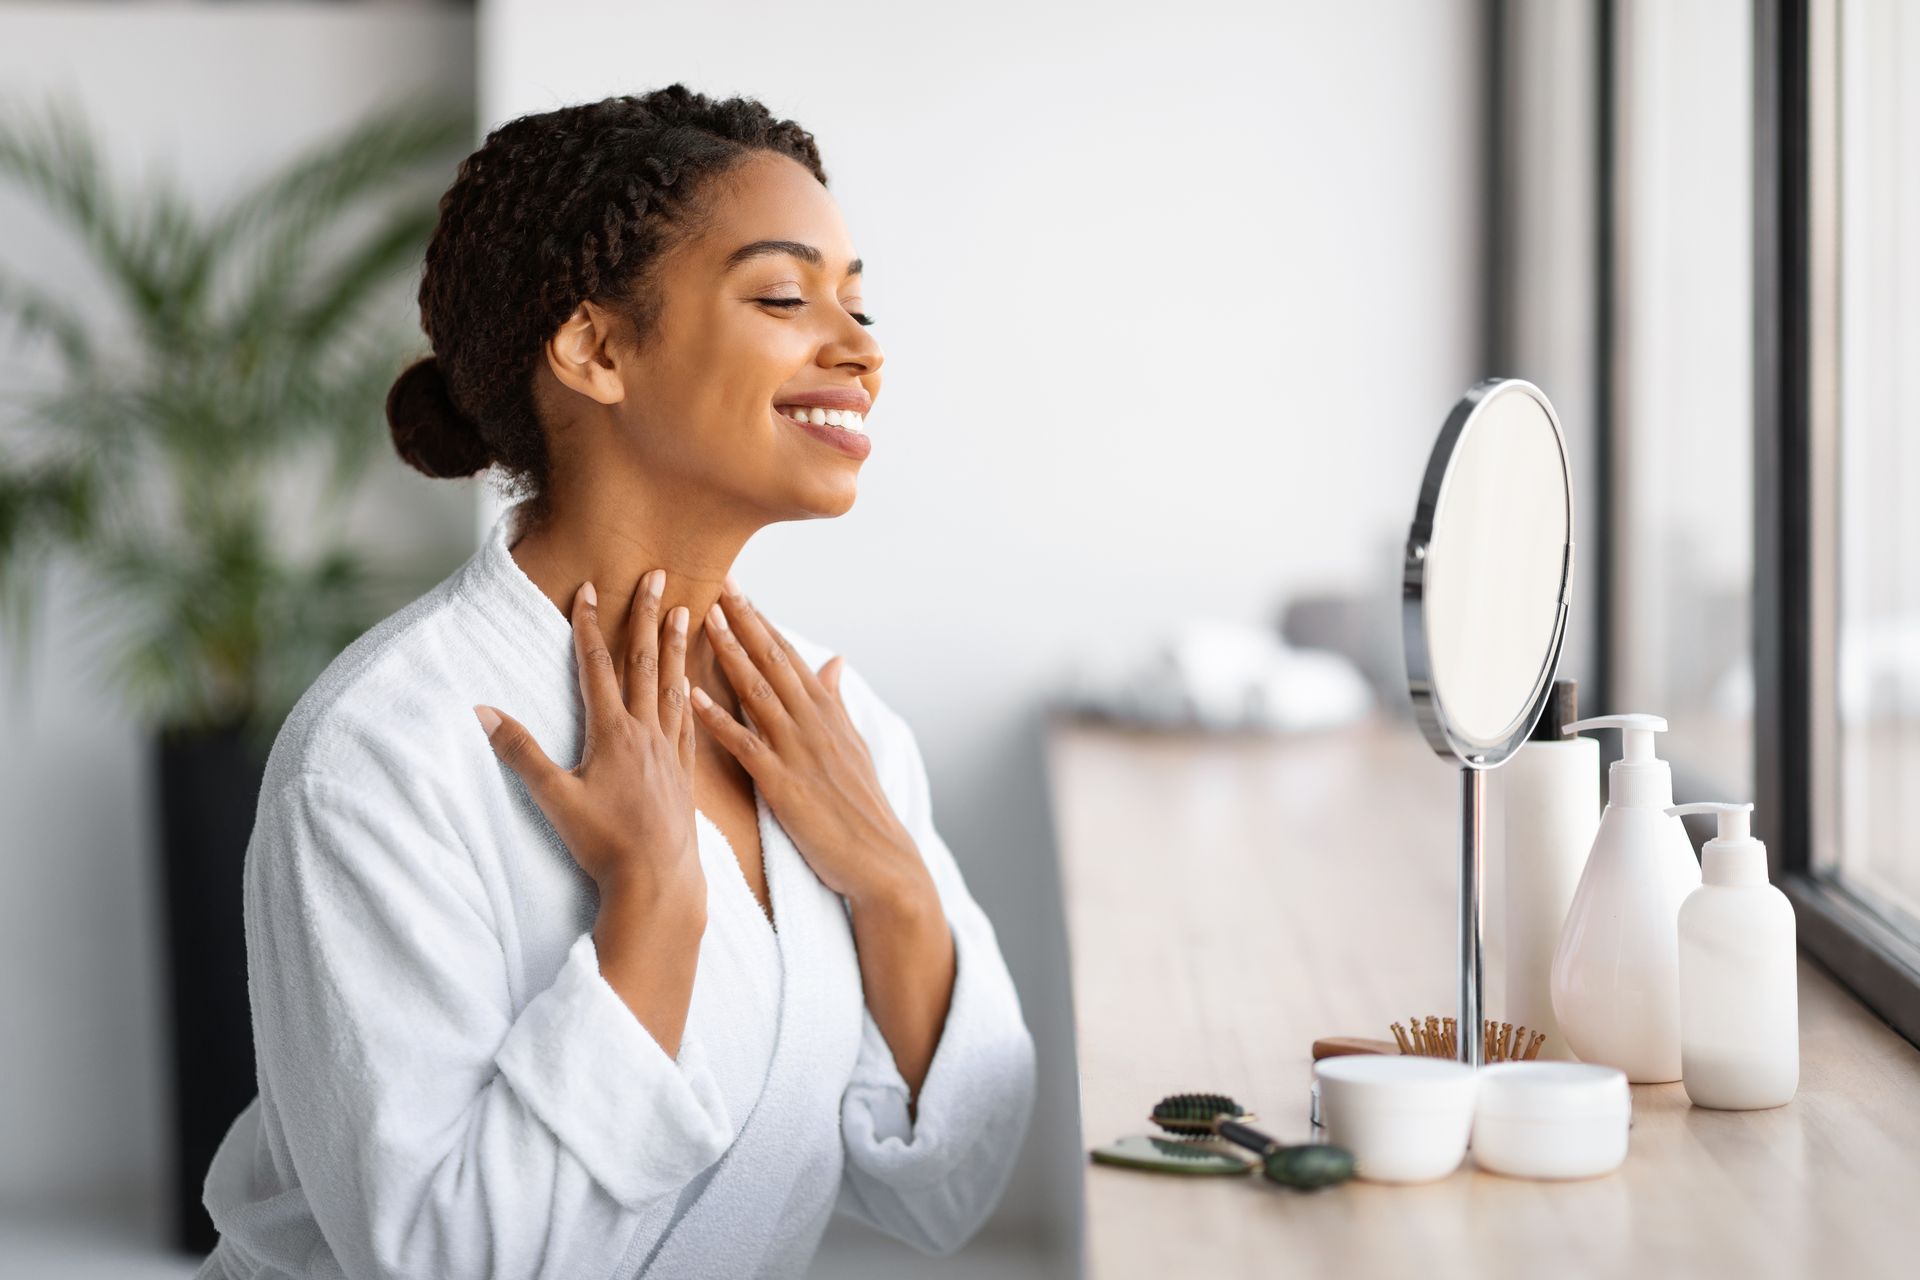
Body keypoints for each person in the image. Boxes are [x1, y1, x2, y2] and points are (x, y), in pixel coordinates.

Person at [194, 85, 1037, 1279]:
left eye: (857, 300)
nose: (860, 346)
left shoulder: (840, 736)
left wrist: (895, 885)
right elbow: (446, 1260)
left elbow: (949, 1190)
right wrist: (651, 910)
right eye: (787, 297)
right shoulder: (384, 753)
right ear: (594, 347)